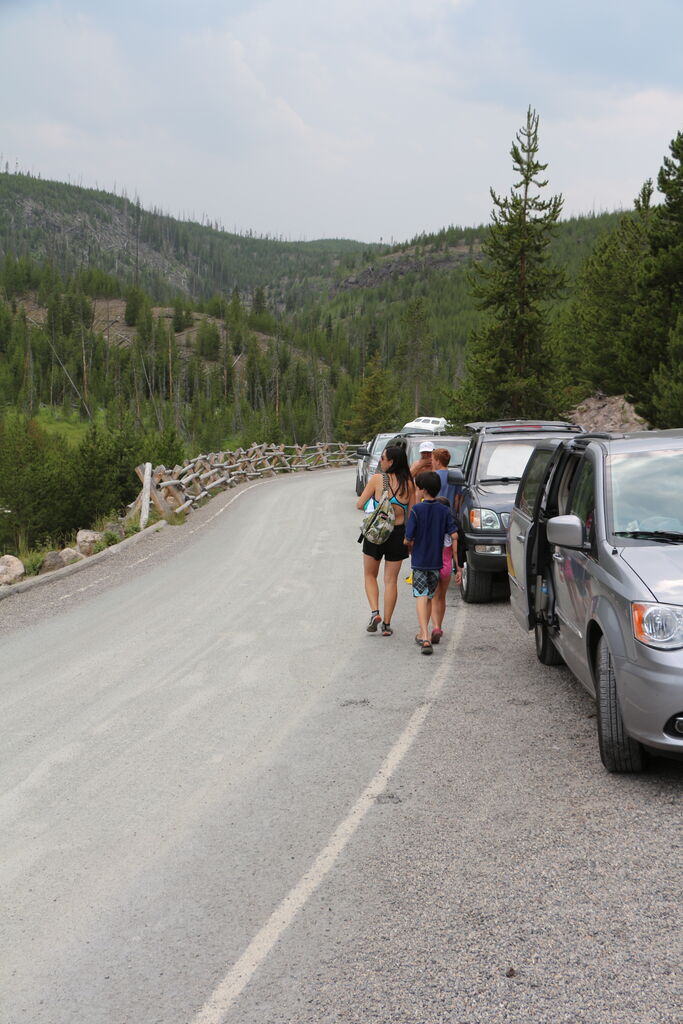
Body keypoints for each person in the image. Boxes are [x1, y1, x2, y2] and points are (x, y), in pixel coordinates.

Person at [356, 444, 415, 636]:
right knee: (391, 581)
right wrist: (411, 539)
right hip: (398, 534)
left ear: (391, 462)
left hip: (376, 533)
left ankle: (375, 612)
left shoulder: (377, 480)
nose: (380, 461)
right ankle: (387, 625)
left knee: (369, 576)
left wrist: (376, 504)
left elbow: (360, 504)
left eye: (383, 458)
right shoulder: (409, 483)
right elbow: (412, 514)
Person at [404, 471, 458, 655]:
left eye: (418, 488)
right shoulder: (444, 510)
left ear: (423, 490)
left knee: (420, 595)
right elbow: (453, 533)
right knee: (429, 597)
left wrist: (409, 546)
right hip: (436, 563)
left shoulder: (416, 510)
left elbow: (408, 538)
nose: (416, 492)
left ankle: (425, 636)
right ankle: (424, 631)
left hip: (420, 561)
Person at [429, 496, 462, 644]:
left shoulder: (432, 527)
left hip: (433, 565)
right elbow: (455, 552)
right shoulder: (452, 530)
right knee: (442, 598)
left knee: (433, 598)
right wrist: (459, 569)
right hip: (447, 567)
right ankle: (440, 626)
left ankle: (435, 627)